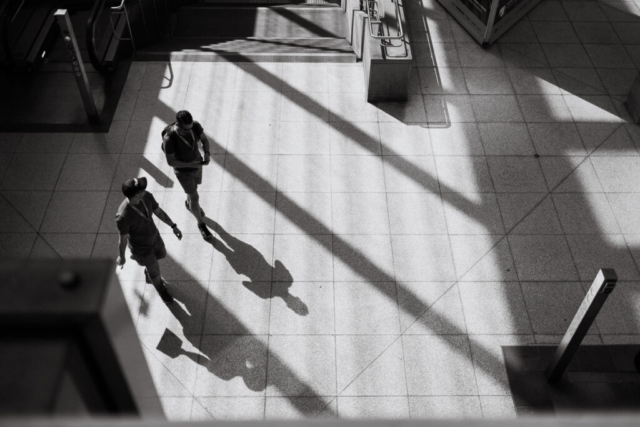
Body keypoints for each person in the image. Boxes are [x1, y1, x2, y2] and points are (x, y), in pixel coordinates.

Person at [115, 177, 182, 303]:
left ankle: (149, 272)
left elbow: (158, 211)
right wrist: (121, 257)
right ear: (136, 195)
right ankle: (161, 290)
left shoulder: (147, 197)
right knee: (155, 272)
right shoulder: (123, 216)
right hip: (142, 249)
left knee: (162, 254)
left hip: (155, 238)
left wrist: (173, 225)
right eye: (142, 190)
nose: (145, 191)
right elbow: (122, 239)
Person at [163, 110, 213, 240]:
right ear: (178, 125)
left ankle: (188, 203)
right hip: (183, 172)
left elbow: (204, 140)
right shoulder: (169, 138)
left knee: (194, 189)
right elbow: (171, 162)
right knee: (195, 196)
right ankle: (201, 224)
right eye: (185, 130)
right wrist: (192, 164)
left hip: (197, 165)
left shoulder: (195, 126)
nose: (188, 131)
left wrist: (207, 153)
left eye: (190, 128)